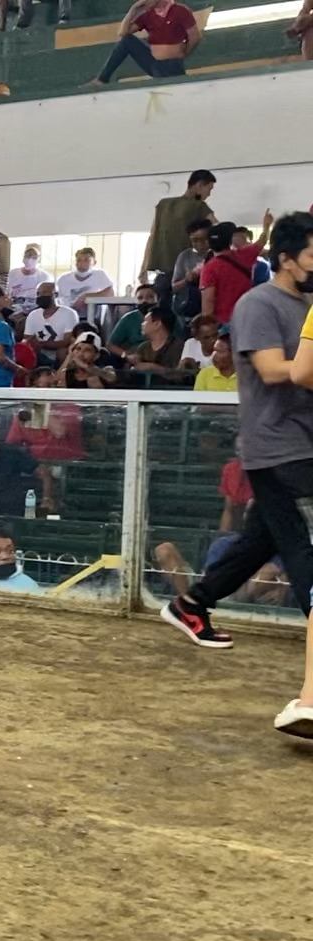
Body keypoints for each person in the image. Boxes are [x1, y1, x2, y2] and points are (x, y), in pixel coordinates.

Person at [164, 213, 313, 702]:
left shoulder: (307, 306)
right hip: (277, 446)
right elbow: (272, 370)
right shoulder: (259, 303)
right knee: (303, 548)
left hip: (303, 441)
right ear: (286, 259)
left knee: (260, 541)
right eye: (312, 254)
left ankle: (193, 603)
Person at [88, 0, 201, 85]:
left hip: (172, 64)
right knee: (127, 41)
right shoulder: (147, 15)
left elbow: (195, 37)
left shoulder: (180, 11)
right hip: (154, 63)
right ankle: (102, 79)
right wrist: (133, 10)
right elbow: (122, 32)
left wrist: (184, 53)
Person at [202, 217, 273, 329]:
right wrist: (266, 226)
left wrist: (207, 327)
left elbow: (208, 304)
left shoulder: (208, 268)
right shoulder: (244, 255)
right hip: (246, 318)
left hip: (223, 324)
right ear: (230, 241)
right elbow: (262, 241)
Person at [56, 248, 117, 315]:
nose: (82, 263)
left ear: (94, 262)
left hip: (93, 316)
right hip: (67, 315)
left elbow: (110, 293)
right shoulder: (63, 279)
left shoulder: (100, 275)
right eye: (79, 260)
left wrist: (86, 297)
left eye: (86, 260)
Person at [7, 245, 52, 317]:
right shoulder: (13, 274)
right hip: (13, 312)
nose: (30, 259)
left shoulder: (44, 277)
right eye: (28, 255)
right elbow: (7, 295)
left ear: (39, 259)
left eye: (34, 257)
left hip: (36, 313)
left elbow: (46, 301)